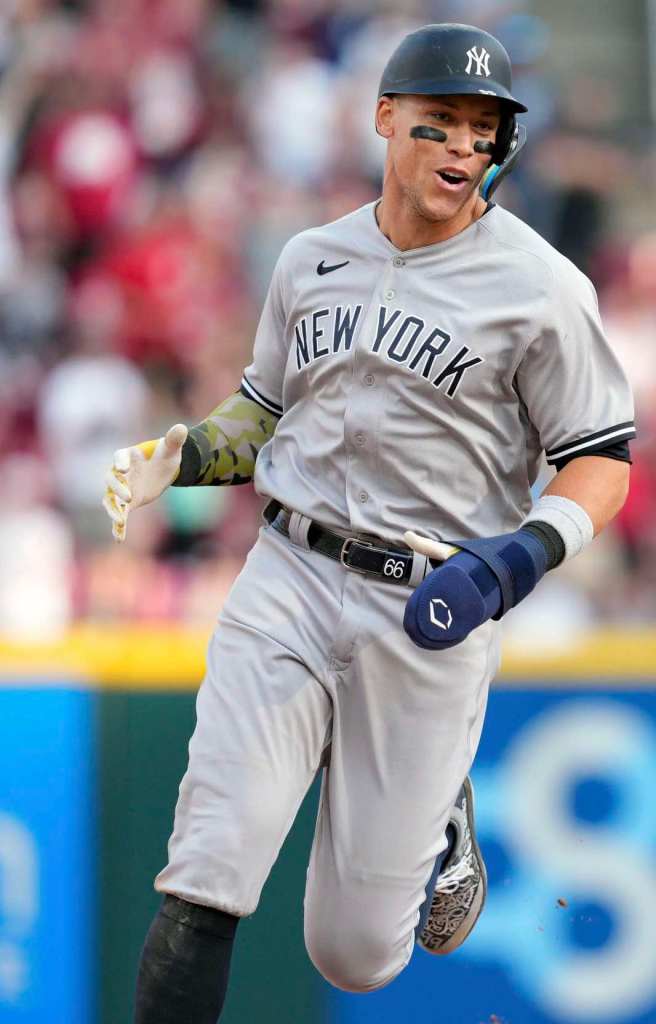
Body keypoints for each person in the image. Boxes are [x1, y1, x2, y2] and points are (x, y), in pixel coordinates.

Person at [103, 24, 635, 1024]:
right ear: (386, 117)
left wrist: (511, 564)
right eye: (441, 120)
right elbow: (264, 413)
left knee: (351, 954)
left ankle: (441, 817)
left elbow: (600, 459)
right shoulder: (311, 258)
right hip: (290, 576)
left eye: (482, 128)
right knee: (207, 866)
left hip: (432, 604)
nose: (462, 145)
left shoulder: (542, 286)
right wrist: (189, 453)